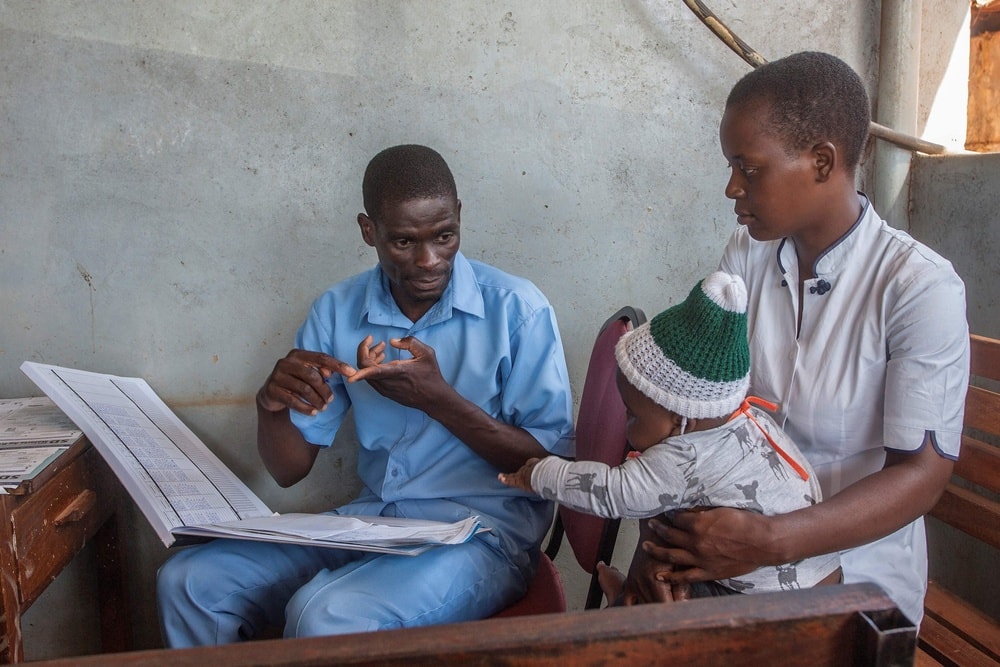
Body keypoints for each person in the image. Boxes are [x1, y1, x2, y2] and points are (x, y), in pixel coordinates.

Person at [156, 144, 575, 645]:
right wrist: (270, 407)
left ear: (460, 216)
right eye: (403, 242)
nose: (429, 260)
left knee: (324, 616)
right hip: (375, 523)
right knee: (189, 582)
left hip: (483, 537)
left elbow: (552, 469)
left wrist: (439, 400)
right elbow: (289, 471)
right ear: (368, 231)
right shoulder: (338, 310)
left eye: (445, 236)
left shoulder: (517, 309)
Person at [615, 51, 969, 624]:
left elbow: (922, 476)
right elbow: (698, 415)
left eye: (749, 168)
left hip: (854, 578)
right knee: (628, 636)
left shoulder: (918, 287)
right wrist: (661, 547)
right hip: (729, 561)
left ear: (822, 162)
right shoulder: (746, 255)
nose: (732, 188)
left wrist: (769, 541)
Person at [500, 271, 840, 600]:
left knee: (673, 601)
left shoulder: (687, 456)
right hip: (822, 571)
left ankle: (624, 606)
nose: (624, 425)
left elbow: (613, 492)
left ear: (681, 419)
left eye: (631, 414)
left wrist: (541, 474)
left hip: (778, 599)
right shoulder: (749, 422)